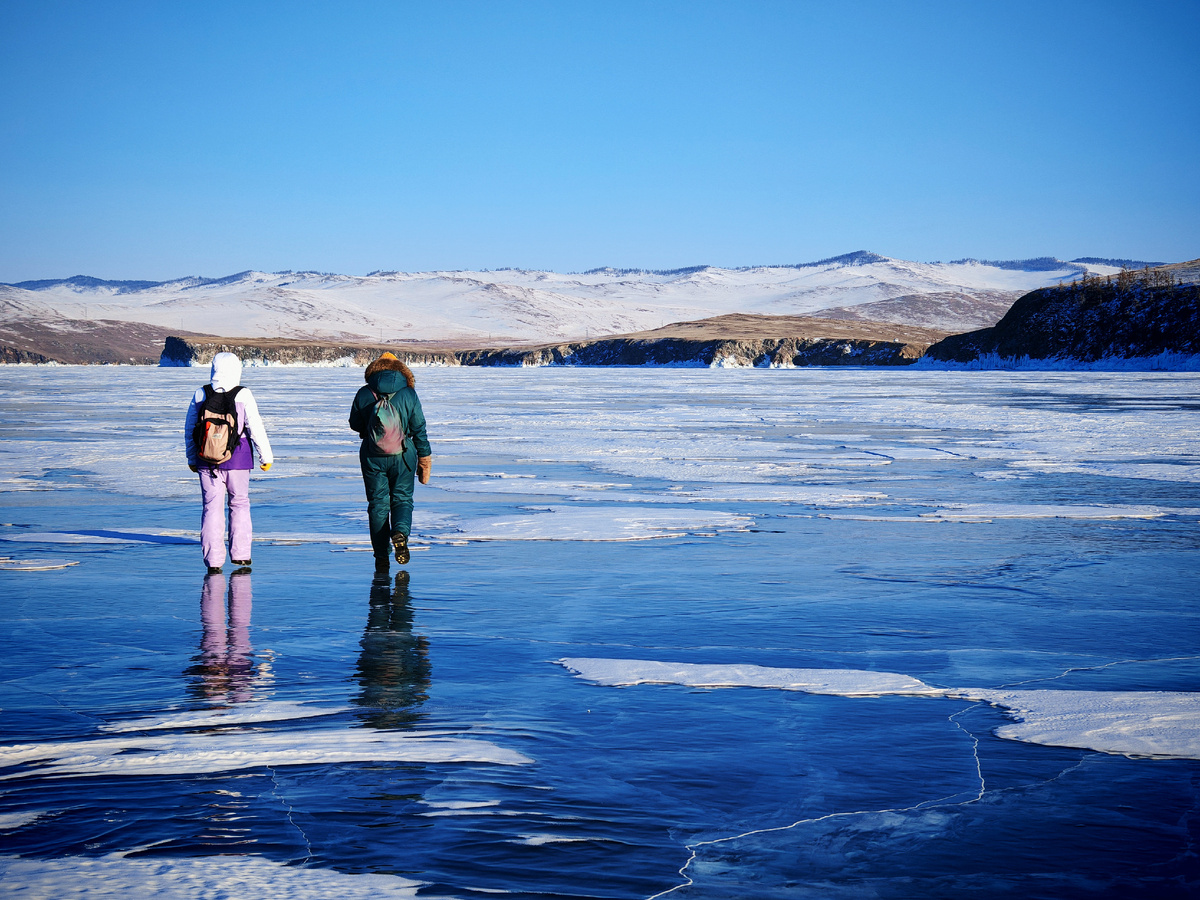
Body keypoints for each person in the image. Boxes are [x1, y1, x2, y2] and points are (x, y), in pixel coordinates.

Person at [185, 352, 273, 574]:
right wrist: (266, 456)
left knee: (211, 507)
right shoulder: (243, 394)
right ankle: (241, 555)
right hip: (239, 457)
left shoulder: (200, 393)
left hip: (206, 459)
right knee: (239, 504)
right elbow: (255, 426)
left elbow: (189, 430)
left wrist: (191, 457)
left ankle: (213, 560)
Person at [349, 352, 431, 572]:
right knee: (402, 498)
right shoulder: (409, 393)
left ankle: (381, 557)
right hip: (403, 455)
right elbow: (419, 429)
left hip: (372, 456)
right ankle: (400, 533)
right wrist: (424, 458)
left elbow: (354, 424)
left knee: (377, 504)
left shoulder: (364, 393)